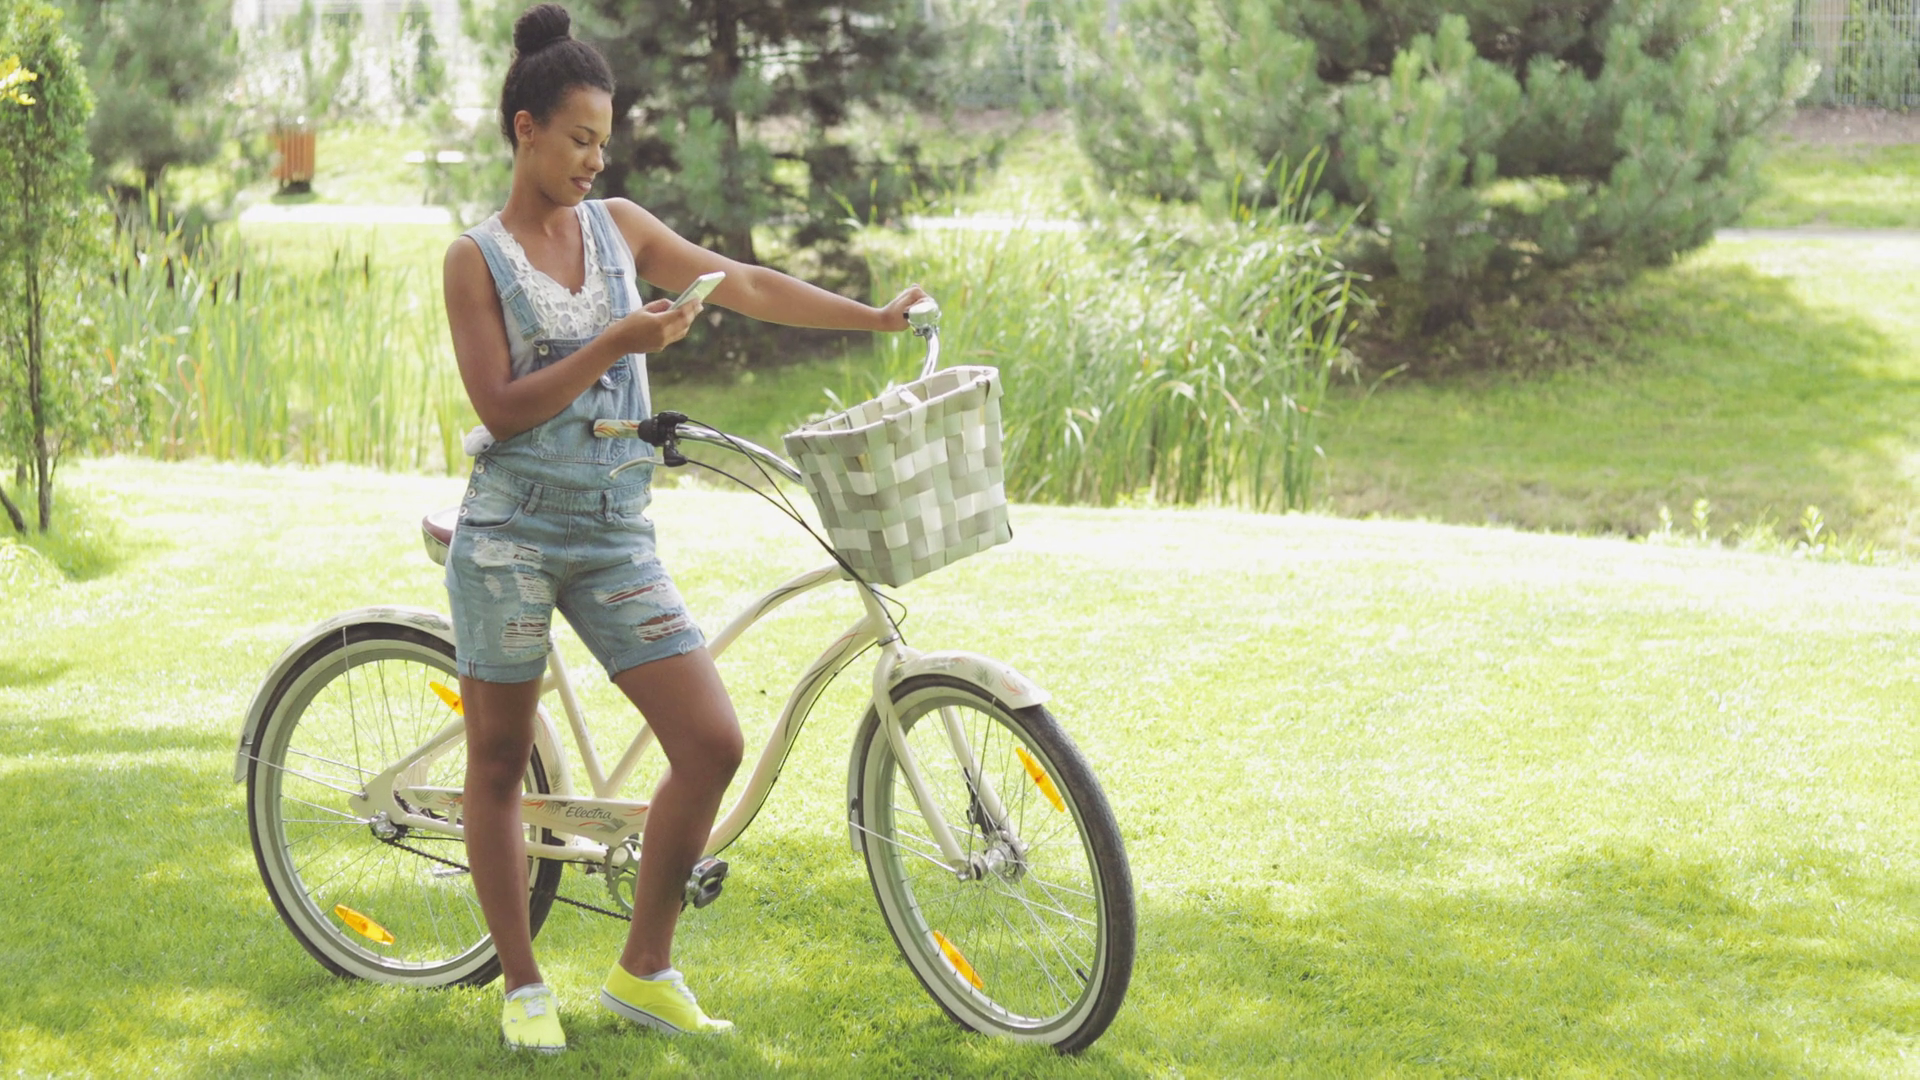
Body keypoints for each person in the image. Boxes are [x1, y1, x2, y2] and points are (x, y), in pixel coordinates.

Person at [441, 2, 929, 1053]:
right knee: (500, 758)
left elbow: (741, 282)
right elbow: (502, 409)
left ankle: (644, 970)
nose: (593, 159)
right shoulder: (474, 260)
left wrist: (871, 317)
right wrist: (616, 341)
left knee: (710, 742)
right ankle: (523, 986)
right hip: (512, 532)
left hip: (615, 531)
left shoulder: (618, 228)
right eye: (578, 138)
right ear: (526, 129)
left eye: (603, 141)